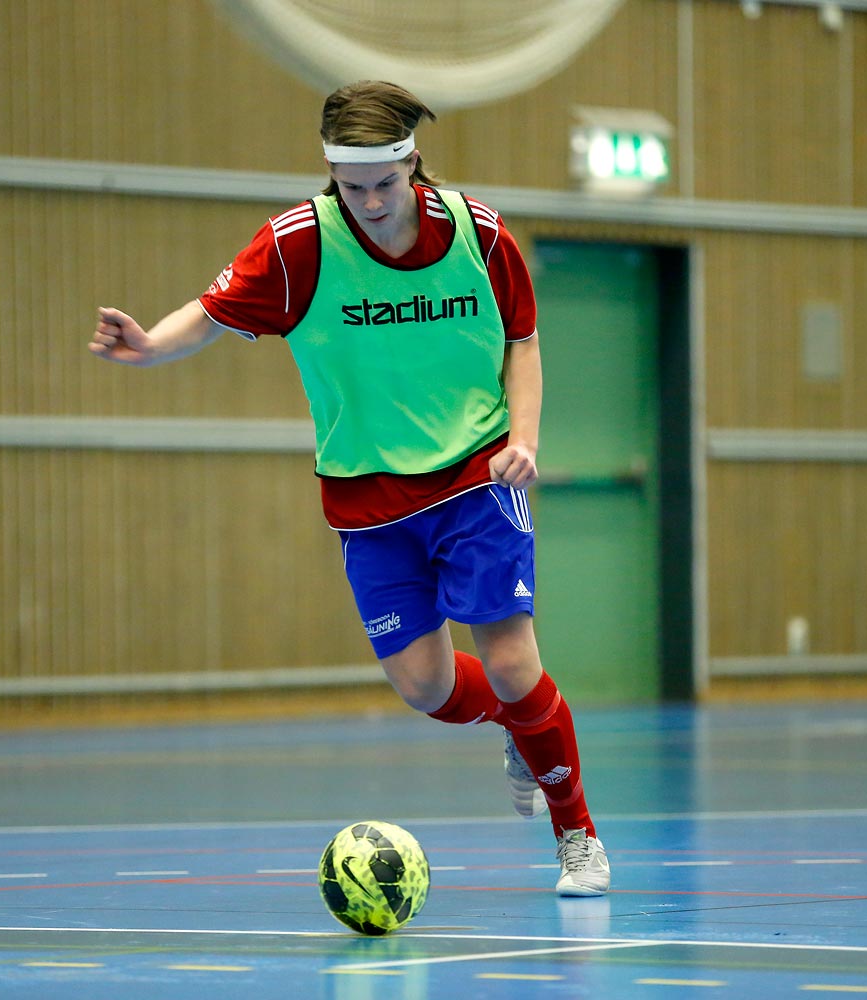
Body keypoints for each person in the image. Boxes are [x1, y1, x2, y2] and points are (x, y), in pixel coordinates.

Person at [89, 80, 610, 896]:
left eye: (384, 183)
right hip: (366, 500)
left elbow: (523, 339)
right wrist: (151, 345)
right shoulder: (300, 244)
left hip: (475, 473)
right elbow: (215, 312)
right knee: (426, 689)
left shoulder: (479, 234)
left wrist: (525, 438)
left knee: (510, 660)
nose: (368, 201)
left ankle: (574, 832)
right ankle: (521, 723)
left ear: (413, 166)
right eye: (351, 185)